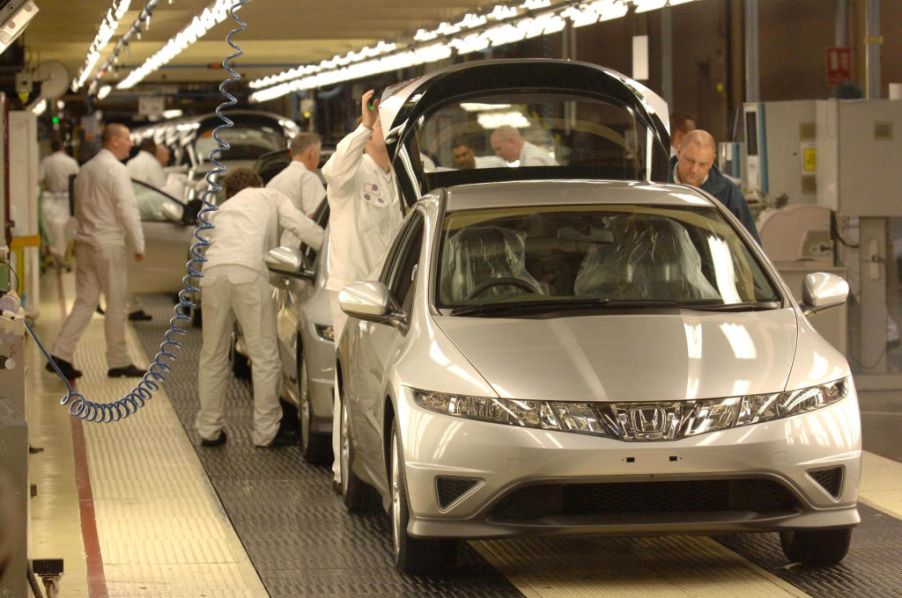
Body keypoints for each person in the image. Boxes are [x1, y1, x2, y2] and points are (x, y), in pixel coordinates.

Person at [195, 168, 324, 449]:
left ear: (230, 192)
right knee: (264, 355)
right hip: (249, 272)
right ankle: (266, 432)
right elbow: (301, 226)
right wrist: (330, 248)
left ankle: (209, 429)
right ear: (260, 183)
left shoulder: (222, 209)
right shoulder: (271, 196)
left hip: (213, 273)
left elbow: (201, 244)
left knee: (212, 354)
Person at [321, 89, 403, 488]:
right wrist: (363, 127)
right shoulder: (349, 175)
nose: (386, 129)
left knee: (384, 385)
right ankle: (344, 470)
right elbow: (333, 171)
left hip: (392, 298)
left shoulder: (400, 176)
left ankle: (380, 468)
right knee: (350, 383)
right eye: (381, 124)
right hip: (352, 294)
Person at [45, 123, 147, 380]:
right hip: (108, 244)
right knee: (116, 303)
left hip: (85, 242)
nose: (131, 143)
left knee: (85, 301)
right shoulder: (117, 170)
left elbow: (78, 207)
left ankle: (60, 354)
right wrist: (138, 243)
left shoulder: (86, 169)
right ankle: (118, 361)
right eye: (127, 138)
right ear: (114, 141)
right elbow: (127, 209)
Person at [669, 129, 760, 243]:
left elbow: (749, 243)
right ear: (678, 152)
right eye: (690, 161)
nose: (694, 169)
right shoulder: (656, 184)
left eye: (702, 164)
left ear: (711, 161)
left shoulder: (728, 193)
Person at [266, 132, 325, 247]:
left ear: (290, 152)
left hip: (274, 250)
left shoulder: (272, 182)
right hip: (299, 250)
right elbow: (316, 217)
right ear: (312, 153)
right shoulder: (308, 178)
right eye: (319, 154)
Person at [38, 136, 79, 263]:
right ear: (63, 148)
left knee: (54, 228)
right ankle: (66, 255)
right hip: (68, 199)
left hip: (51, 199)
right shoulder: (71, 162)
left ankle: (56, 254)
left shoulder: (46, 161)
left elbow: (38, 178)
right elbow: (78, 181)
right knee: (67, 228)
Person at [490, 125, 557, 166]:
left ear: (511, 142)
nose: (498, 154)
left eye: (499, 149)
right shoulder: (529, 155)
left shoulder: (532, 161)